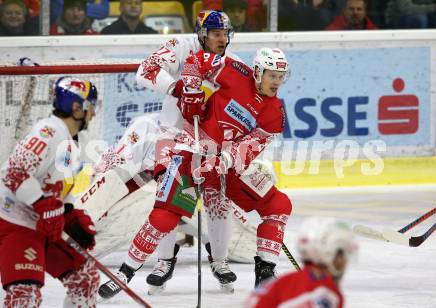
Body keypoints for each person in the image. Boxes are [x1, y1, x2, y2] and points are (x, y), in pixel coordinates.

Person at [101, 45, 292, 297]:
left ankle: (265, 272)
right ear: (257, 71)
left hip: (228, 166)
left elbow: (252, 145)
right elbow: (196, 61)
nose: (277, 82)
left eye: (281, 77)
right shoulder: (235, 71)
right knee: (164, 216)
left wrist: (225, 158)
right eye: (271, 75)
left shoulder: (275, 111)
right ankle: (125, 272)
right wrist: (191, 90)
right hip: (192, 152)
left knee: (278, 205)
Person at [98, 10, 243, 298]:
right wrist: (179, 88)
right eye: (216, 34)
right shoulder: (181, 47)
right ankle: (165, 260)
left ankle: (219, 260)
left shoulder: (233, 64)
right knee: (168, 203)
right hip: (173, 138)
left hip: (211, 143)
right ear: (202, 34)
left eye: (226, 34)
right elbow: (146, 70)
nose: (222, 39)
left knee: (218, 200)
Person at [0, 77, 99, 307]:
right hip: (14, 221)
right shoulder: (48, 132)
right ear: (77, 108)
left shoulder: (77, 139)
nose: (93, 114)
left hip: (45, 223)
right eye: (91, 107)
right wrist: (41, 202)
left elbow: (63, 184)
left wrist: (68, 212)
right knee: (24, 296)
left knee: (85, 280)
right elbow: (13, 171)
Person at [245, 217, 358, 308]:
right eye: (342, 254)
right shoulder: (323, 295)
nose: (345, 261)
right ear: (329, 253)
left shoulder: (277, 283)